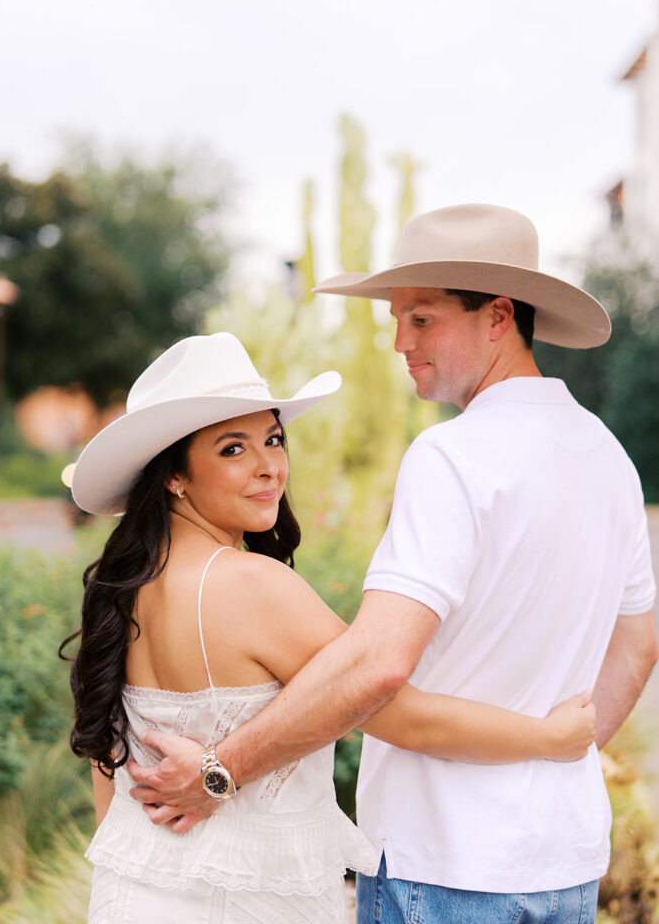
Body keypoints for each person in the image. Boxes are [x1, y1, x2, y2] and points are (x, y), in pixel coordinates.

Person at [130, 206, 659, 924]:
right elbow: (637, 645)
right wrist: (552, 759)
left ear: (498, 316)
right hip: (563, 861)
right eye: (395, 319)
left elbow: (377, 663)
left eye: (421, 319)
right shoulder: (608, 458)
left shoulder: (453, 456)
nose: (398, 342)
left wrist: (221, 772)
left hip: (441, 865)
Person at [63, 329, 596, 924]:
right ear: (174, 475)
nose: (269, 467)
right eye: (232, 449)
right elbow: (398, 712)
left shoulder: (123, 592)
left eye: (272, 439)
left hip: (131, 900)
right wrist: (551, 738)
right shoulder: (250, 585)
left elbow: (107, 785)